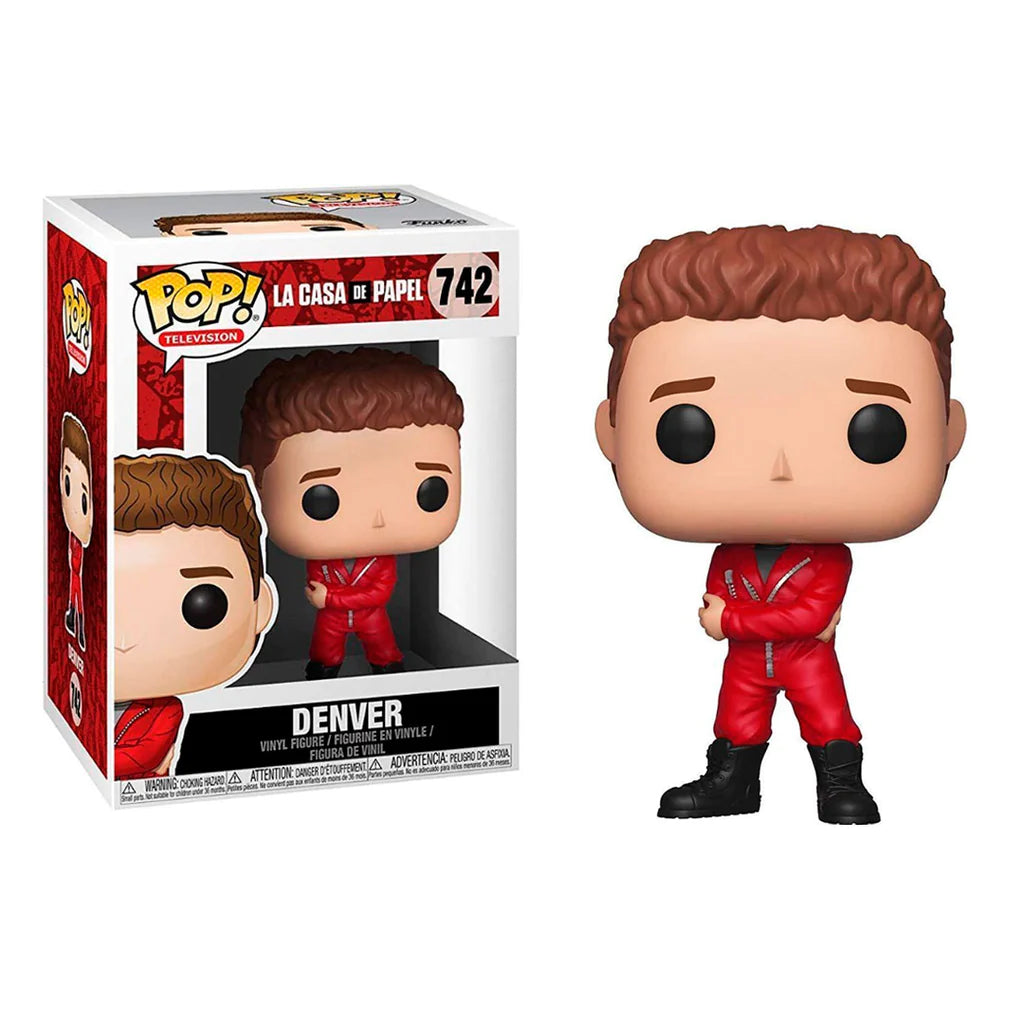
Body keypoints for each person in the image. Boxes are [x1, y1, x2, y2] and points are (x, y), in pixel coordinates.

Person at [595, 225, 966, 824]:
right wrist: (735, 620)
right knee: (736, 717)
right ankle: (732, 783)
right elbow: (734, 597)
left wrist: (730, 621)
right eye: (687, 430)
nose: (780, 468)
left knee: (826, 715)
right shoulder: (729, 553)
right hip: (748, 662)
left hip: (801, 658)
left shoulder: (830, 558)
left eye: (874, 430)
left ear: (948, 434)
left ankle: (841, 784)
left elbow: (807, 618)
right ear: (612, 432)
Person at [240, 348, 463, 679]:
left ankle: (387, 670)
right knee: (325, 654)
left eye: (429, 491)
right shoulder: (322, 558)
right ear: (254, 487)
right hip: (331, 620)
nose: (378, 518)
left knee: (383, 651)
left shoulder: (379, 562)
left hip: (368, 616)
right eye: (320, 499)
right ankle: (323, 673)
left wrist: (330, 597)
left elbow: (379, 593)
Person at [113, 453, 275, 779]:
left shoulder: (165, 710)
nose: (125, 640)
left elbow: (142, 759)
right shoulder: (81, 693)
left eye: (202, 606)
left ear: (261, 607)